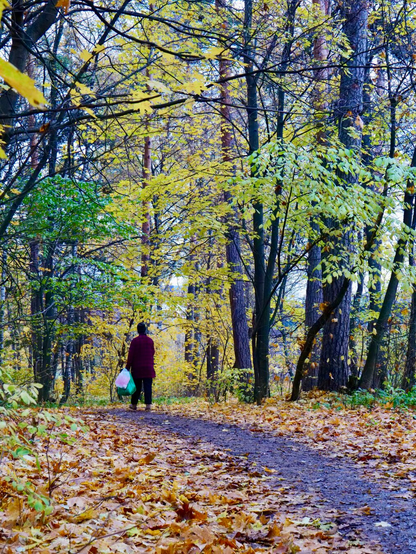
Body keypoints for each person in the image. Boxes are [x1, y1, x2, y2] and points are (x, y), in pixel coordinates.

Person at [126, 322, 155, 411]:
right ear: (145, 330)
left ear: (138, 330)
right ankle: (148, 405)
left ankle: (134, 404)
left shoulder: (134, 341)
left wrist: (127, 367)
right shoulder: (150, 341)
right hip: (148, 367)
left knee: (136, 387)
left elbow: (131, 355)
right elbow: (153, 352)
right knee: (147, 387)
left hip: (137, 368)